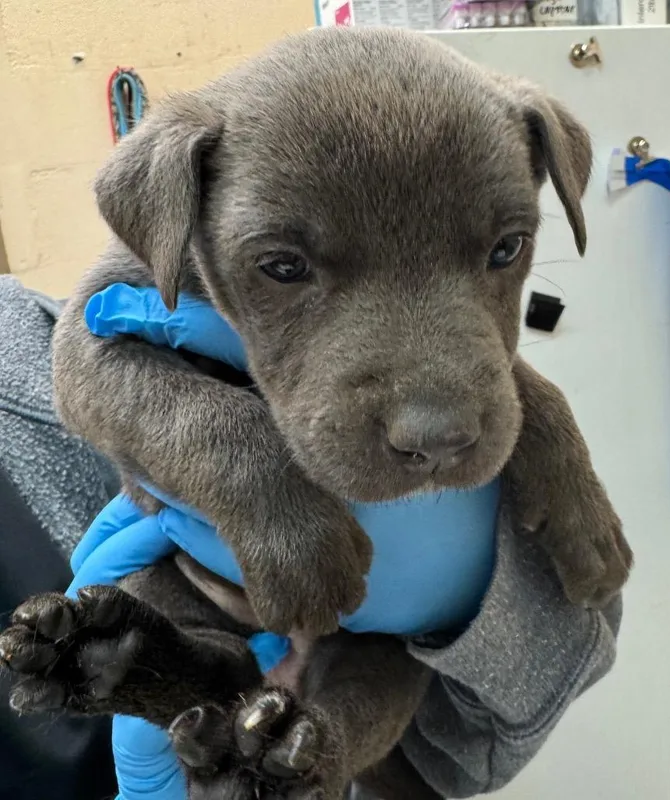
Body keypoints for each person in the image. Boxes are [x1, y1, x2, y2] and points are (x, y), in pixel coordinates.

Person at [0, 274, 622, 800]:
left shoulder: (19, 333)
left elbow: (466, 753)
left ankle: (304, 751)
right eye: (285, 264)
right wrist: (247, 469)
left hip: (364, 669)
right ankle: (205, 694)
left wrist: (469, 589)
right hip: (197, 609)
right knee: (153, 618)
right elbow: (88, 365)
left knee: (368, 679)